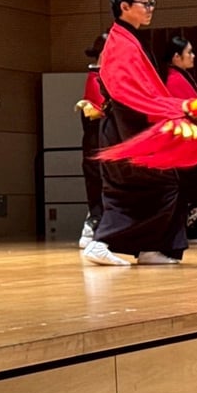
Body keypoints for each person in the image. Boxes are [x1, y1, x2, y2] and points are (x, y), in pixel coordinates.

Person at [81, 0, 197, 266]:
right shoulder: (121, 44)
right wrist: (176, 111)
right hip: (125, 128)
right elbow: (128, 93)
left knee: (137, 190)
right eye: (145, 3)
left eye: (152, 2)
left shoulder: (129, 39)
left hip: (126, 126)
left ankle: (148, 248)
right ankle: (107, 242)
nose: (151, 8)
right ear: (125, 7)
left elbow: (144, 92)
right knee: (159, 186)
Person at [163, 36, 197, 244]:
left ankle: (196, 231)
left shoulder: (180, 77)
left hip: (192, 145)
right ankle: (195, 232)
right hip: (186, 147)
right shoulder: (174, 81)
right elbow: (187, 112)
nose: (193, 56)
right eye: (189, 52)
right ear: (176, 57)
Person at [75, 32, 107, 248]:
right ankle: (94, 225)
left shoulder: (103, 78)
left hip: (101, 147)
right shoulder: (95, 80)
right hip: (97, 148)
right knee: (98, 184)